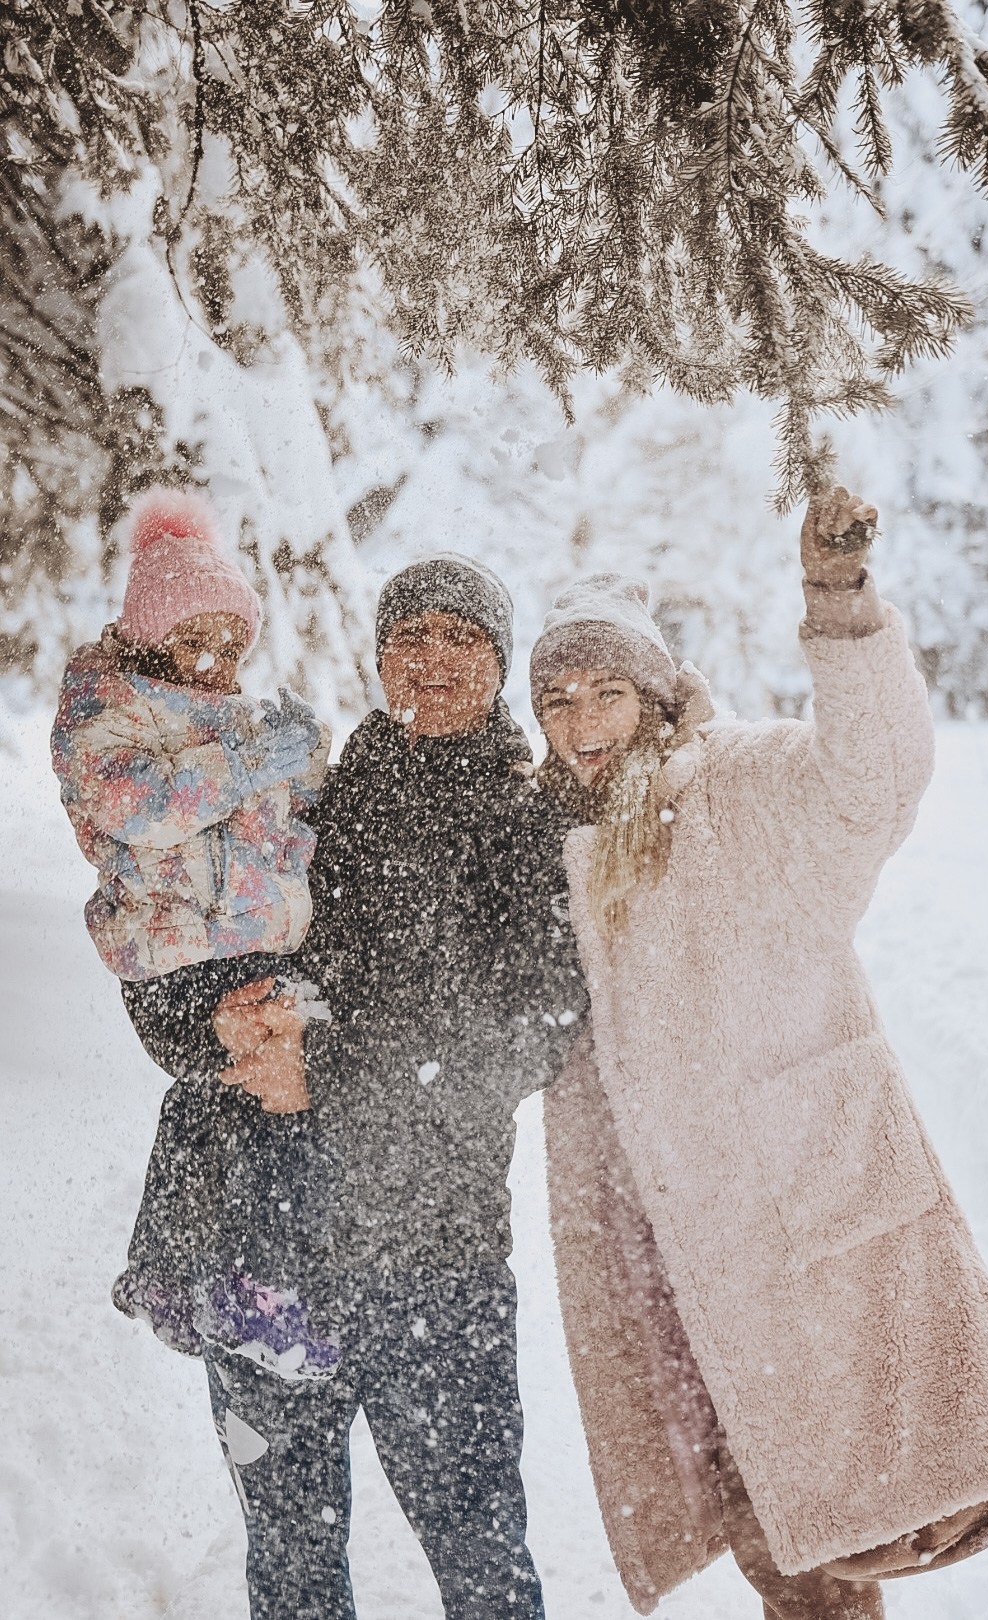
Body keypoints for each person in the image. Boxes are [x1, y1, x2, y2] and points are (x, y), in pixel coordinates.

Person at [532, 487, 988, 1620]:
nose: (583, 721)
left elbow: (873, 782)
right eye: (560, 698)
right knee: (770, 1522)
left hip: (799, 1206)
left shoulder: (735, 785)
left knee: (875, 1513)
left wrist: (839, 609)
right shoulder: (556, 838)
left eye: (609, 691)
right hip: (666, 1241)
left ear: (659, 693)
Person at [121, 553, 588, 1620]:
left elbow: (530, 1034)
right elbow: (171, 952)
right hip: (268, 1253)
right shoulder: (299, 804)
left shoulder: (526, 828)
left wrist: (320, 1068)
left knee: (481, 1562)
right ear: (378, 657)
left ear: (499, 666)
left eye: (461, 638)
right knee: (290, 1566)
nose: (432, 658)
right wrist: (216, 1023)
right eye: (409, 635)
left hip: (437, 1261)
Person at [51, 486, 341, 1378]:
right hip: (177, 958)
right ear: (148, 636)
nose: (215, 661)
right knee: (271, 1099)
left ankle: (171, 1271)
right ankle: (259, 1292)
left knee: (223, 1097)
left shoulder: (231, 718)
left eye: (230, 643)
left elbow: (278, 824)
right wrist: (254, 757)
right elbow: (145, 806)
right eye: (193, 640)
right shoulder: (108, 711)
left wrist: (305, 769)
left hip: (240, 945)